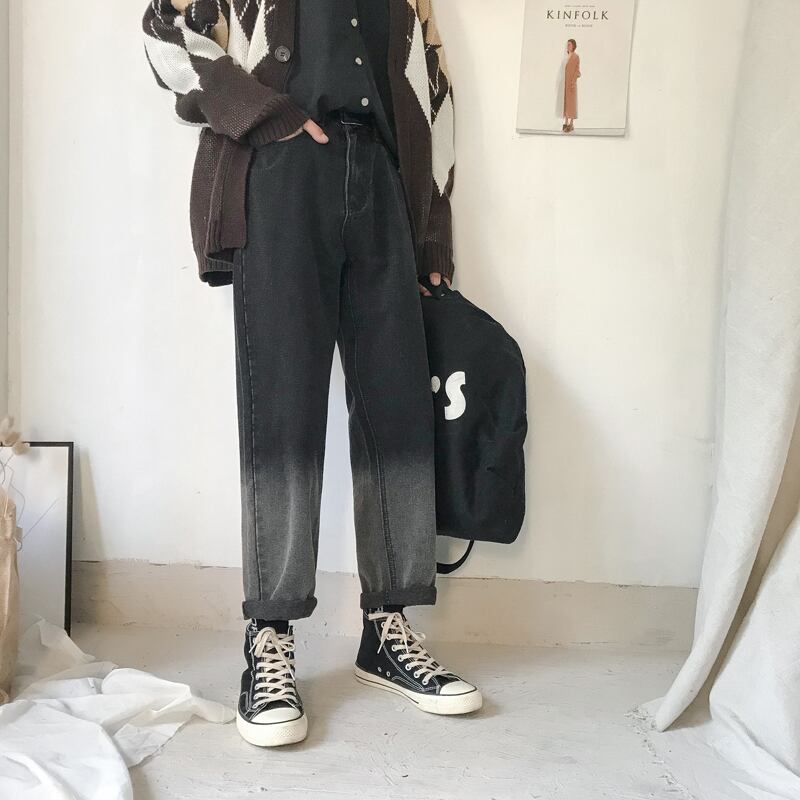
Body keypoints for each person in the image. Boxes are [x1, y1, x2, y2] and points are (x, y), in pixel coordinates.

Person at [141, 0, 482, 747]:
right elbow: (166, 33)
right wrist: (267, 116)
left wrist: (431, 233)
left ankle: (387, 628)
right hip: (281, 177)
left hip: (384, 184)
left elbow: (432, 90)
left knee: (396, 406)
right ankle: (269, 634)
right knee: (282, 409)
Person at [563, 38, 581, 132]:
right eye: (567, 44)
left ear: (573, 46)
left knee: (572, 104)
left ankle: (571, 124)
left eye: (569, 44)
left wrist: (573, 82)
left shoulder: (576, 57)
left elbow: (577, 70)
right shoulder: (565, 56)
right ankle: (565, 122)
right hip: (565, 84)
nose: (568, 46)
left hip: (572, 83)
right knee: (566, 103)